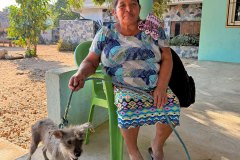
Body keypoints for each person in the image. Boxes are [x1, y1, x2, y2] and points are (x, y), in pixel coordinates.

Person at [68, 0, 180, 159]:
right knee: (128, 106)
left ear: (139, 9)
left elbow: (167, 57)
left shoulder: (153, 30)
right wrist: (80, 74)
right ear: (114, 12)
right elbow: (91, 61)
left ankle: (157, 145)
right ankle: (133, 152)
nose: (128, 9)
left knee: (172, 105)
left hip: (154, 85)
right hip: (123, 86)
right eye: (122, 5)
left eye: (133, 4)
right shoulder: (105, 33)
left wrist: (161, 87)